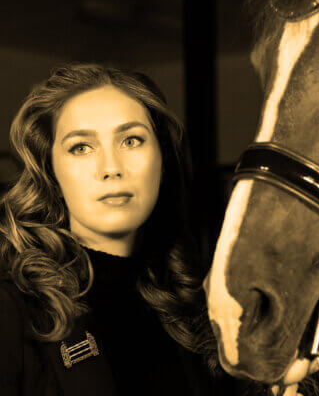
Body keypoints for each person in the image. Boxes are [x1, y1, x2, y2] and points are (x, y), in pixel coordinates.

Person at [0, 63, 244, 396]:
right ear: (51, 171)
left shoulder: (196, 306)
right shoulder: (12, 309)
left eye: (131, 140)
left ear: (162, 159)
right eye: (81, 147)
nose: (111, 168)